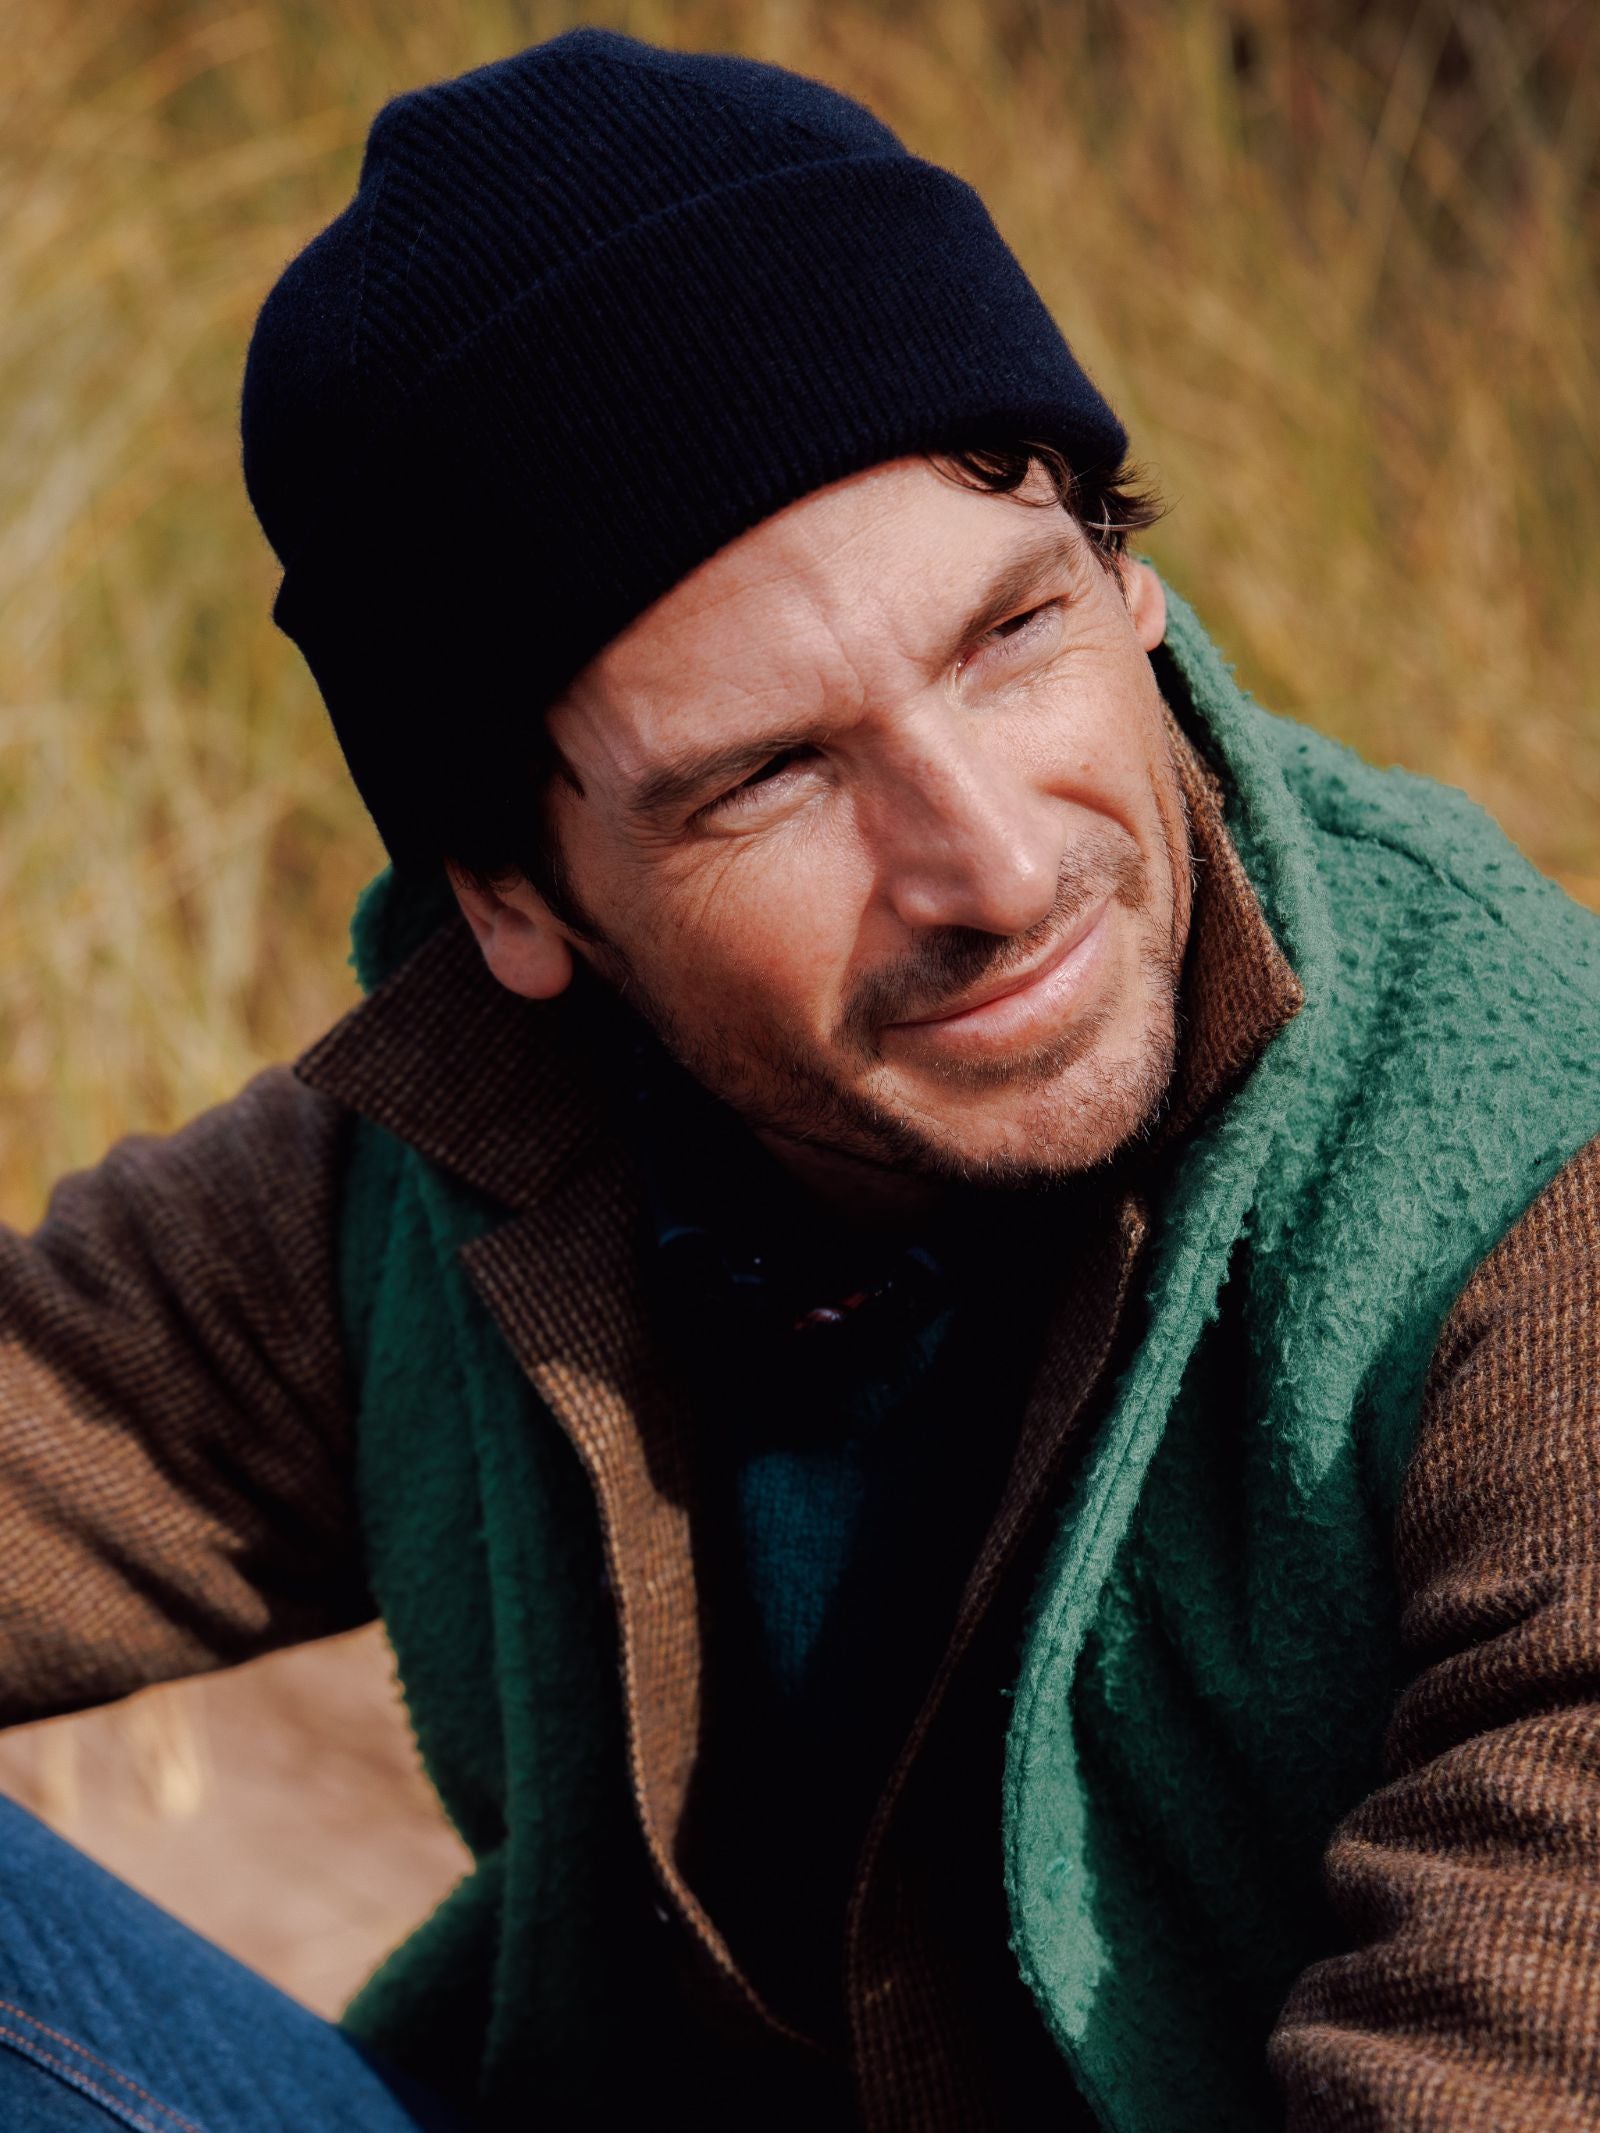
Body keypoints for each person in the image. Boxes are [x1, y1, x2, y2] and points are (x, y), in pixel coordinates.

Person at [1, 25, 1597, 2133]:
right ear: (515, 899)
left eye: (1007, 634)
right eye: (769, 776)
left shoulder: (1520, 1193)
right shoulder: (464, 1155)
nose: (995, 864)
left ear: (1120, 569)